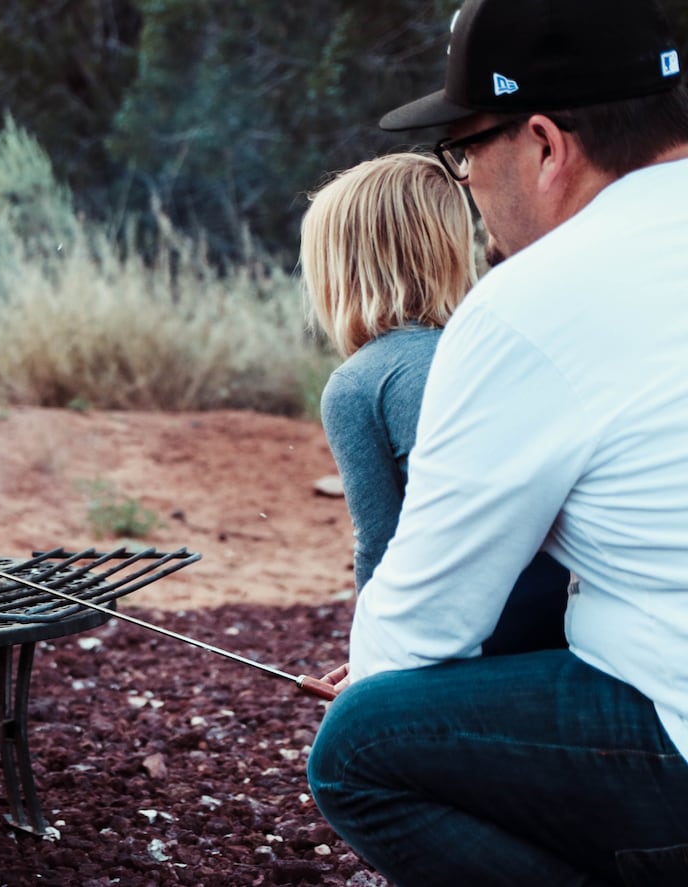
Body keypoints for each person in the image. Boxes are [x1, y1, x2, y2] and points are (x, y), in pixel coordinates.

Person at [304, 0, 688, 884]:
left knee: (362, 747)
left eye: (466, 149)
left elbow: (430, 610)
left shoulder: (532, 304)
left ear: (547, 145)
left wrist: (372, 686)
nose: (466, 179)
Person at [300, 152, 569, 655]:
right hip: (567, 613)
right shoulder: (503, 344)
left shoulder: (360, 383)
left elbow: (381, 547)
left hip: (480, 630)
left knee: (355, 730)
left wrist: (374, 662)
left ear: (339, 270)